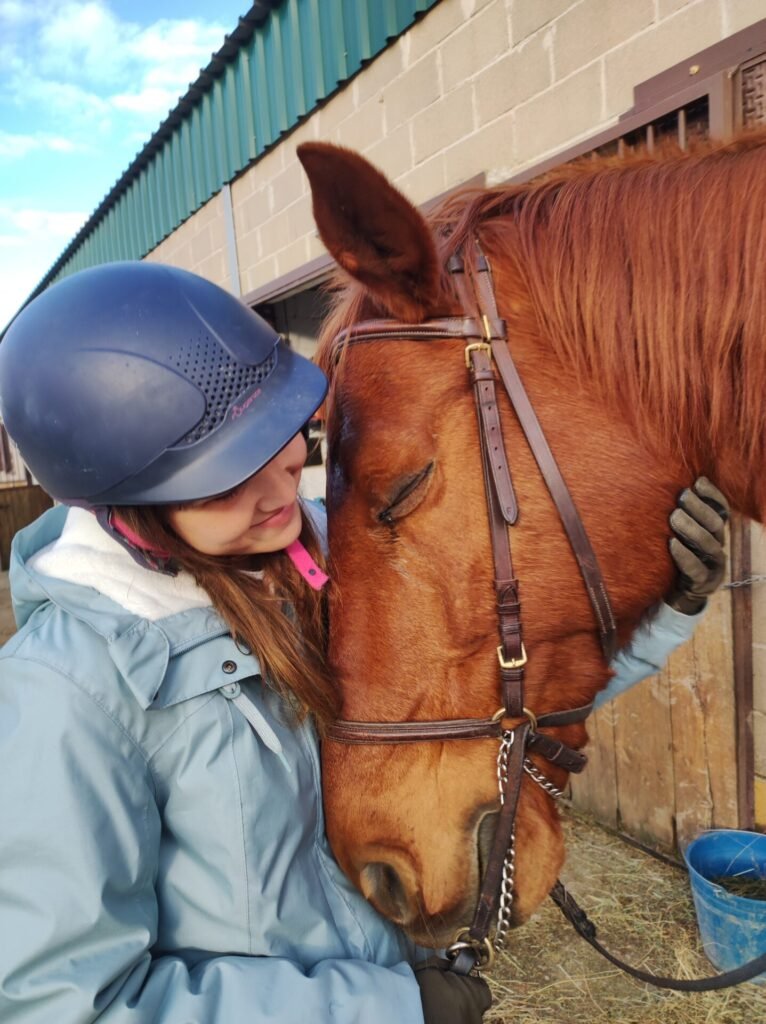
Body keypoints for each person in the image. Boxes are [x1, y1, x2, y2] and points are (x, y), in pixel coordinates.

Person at [0, 262, 726, 1024]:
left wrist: (666, 610)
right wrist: (382, 1010)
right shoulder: (64, 699)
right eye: (222, 479)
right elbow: (64, 1004)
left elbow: (481, 704)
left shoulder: (322, 555)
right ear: (130, 504)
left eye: (280, 438)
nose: (284, 492)